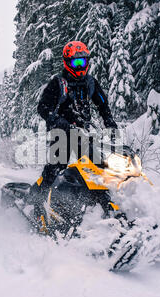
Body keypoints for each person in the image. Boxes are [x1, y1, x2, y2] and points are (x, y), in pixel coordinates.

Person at [30, 41, 117, 208]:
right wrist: (56, 119)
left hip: (81, 133)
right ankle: (36, 202)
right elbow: (42, 107)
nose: (79, 66)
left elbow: (102, 103)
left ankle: (102, 206)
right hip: (61, 133)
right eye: (75, 62)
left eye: (82, 62)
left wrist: (109, 121)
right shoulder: (58, 82)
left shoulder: (90, 83)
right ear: (67, 62)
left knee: (96, 167)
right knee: (54, 169)